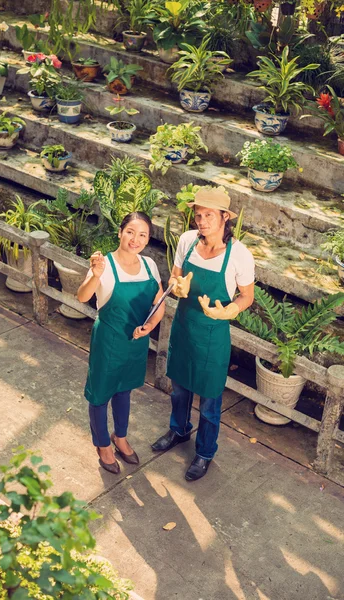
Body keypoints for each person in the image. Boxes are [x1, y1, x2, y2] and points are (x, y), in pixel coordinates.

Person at [151, 186, 255, 481]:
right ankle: (179, 431)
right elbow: (174, 275)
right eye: (198, 215)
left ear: (225, 217)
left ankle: (205, 452)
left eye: (209, 215)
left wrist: (228, 311)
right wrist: (177, 285)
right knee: (180, 389)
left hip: (213, 335)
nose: (202, 220)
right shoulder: (187, 240)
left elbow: (247, 296)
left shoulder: (240, 255)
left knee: (209, 401)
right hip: (184, 328)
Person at [78, 212, 164, 474]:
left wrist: (150, 326)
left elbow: (159, 302)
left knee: (124, 390)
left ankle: (121, 437)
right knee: (100, 393)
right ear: (120, 232)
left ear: (148, 239)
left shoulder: (149, 265)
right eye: (130, 232)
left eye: (142, 235)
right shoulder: (104, 265)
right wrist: (95, 275)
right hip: (109, 340)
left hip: (136, 341)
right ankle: (103, 445)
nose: (135, 239)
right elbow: (82, 296)